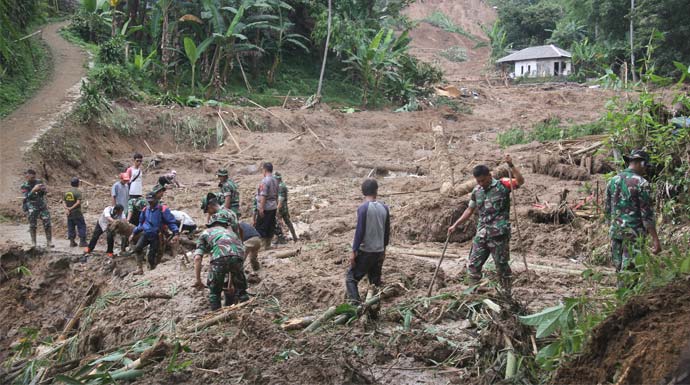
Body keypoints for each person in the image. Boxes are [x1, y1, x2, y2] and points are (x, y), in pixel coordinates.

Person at [448, 155, 524, 295]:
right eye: (478, 181)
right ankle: (473, 292)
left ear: (489, 176)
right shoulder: (477, 191)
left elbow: (520, 181)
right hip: (482, 233)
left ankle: (506, 294)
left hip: (499, 234)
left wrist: (511, 166)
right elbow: (469, 209)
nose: (481, 183)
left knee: (501, 266)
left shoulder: (503, 185)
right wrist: (456, 224)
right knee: (473, 264)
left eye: (483, 180)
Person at [605, 150, 661, 279]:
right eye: (646, 166)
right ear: (641, 163)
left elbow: (607, 210)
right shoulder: (642, 183)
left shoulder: (612, 181)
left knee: (619, 271)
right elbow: (646, 215)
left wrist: (612, 228)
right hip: (634, 235)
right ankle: (630, 299)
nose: (646, 170)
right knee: (631, 272)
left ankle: (622, 298)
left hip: (616, 233)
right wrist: (655, 240)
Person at [346, 179, 391, 304]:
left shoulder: (363, 209)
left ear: (363, 192)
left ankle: (356, 305)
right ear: (376, 191)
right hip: (379, 251)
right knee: (375, 283)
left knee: (351, 278)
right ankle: (374, 310)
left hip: (366, 251)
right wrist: (384, 250)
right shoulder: (385, 208)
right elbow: (387, 233)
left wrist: (354, 251)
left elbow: (359, 232)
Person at [193, 211, 249, 310]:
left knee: (214, 292)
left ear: (211, 224)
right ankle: (248, 310)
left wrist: (198, 280)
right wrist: (231, 283)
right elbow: (234, 257)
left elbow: (197, 258)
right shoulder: (231, 233)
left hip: (219, 258)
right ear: (224, 224)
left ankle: (216, 316)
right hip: (239, 256)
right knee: (241, 291)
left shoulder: (206, 233)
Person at [130, 192, 179, 274]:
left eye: (152, 201)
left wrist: (176, 233)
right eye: (149, 201)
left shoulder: (162, 209)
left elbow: (171, 222)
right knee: (137, 248)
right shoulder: (145, 210)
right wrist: (133, 233)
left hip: (157, 235)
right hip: (146, 233)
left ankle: (152, 271)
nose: (150, 203)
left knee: (151, 256)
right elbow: (141, 224)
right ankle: (139, 268)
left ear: (156, 199)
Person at [21, 169, 52, 248]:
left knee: (47, 222)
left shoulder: (39, 182)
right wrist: (33, 190)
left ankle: (49, 242)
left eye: (33, 177)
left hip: (42, 206)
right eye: (30, 177)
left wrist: (42, 189)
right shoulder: (24, 185)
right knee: (33, 225)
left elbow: (45, 192)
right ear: (27, 176)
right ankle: (33, 243)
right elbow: (26, 197)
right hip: (32, 207)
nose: (31, 179)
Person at [254, 162, 279, 250]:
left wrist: (261, 208)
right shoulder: (275, 180)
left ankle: (260, 246)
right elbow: (276, 195)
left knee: (261, 226)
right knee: (270, 225)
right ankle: (267, 245)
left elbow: (263, 195)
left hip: (266, 206)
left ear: (264, 170)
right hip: (273, 206)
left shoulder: (265, 181)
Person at [273, 172, 298, 243]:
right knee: (288, 222)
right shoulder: (282, 185)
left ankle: (281, 239)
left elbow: (280, 199)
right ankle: (294, 237)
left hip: (281, 208)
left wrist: (277, 210)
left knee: (278, 223)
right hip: (284, 208)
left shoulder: (281, 186)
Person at [64, 177, 87, 247]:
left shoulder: (67, 192)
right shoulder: (78, 192)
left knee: (70, 227)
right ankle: (82, 242)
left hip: (69, 213)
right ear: (78, 184)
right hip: (77, 213)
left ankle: (72, 242)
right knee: (81, 226)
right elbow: (78, 202)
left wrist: (67, 209)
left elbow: (63, 202)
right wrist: (71, 208)